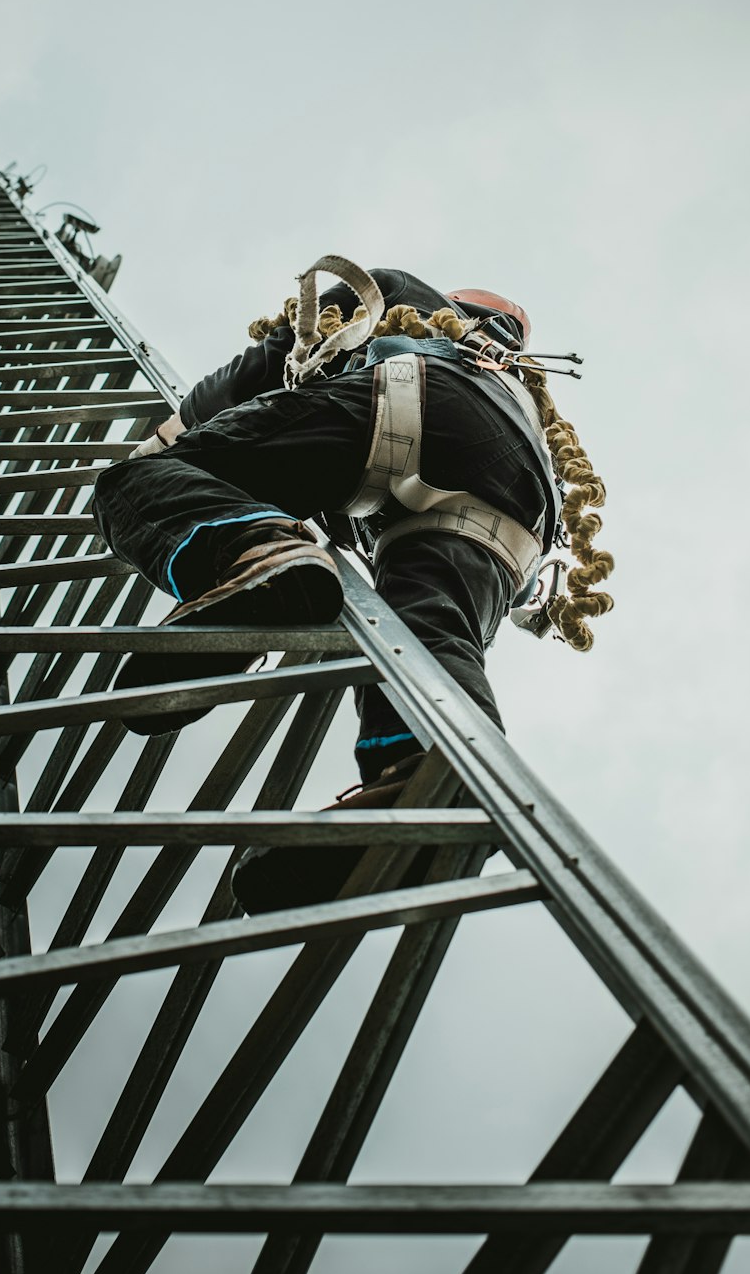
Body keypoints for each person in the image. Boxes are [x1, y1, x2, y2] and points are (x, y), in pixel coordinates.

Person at [90, 260, 613, 913]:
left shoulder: (409, 299)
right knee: (433, 634)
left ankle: (259, 557)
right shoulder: (532, 400)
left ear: (458, 303)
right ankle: (428, 785)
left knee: (138, 487)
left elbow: (274, 355)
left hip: (419, 400)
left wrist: (177, 432)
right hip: (518, 510)